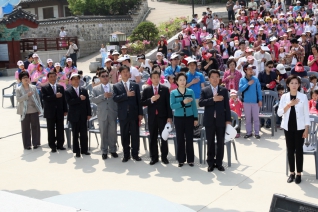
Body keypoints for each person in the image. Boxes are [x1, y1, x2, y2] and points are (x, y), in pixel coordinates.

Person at [277, 75, 310, 184]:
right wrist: (289, 104)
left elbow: (306, 114)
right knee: (290, 150)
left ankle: (299, 173)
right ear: (288, 85)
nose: (294, 85)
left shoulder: (303, 97)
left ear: (299, 85)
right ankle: (292, 173)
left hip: (300, 127)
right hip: (288, 127)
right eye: (292, 83)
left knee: (299, 150)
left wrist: (306, 129)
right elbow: (279, 112)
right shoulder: (284, 97)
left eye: (296, 83)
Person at [199, 70, 231, 172]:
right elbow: (201, 103)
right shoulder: (205, 90)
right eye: (212, 77)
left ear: (219, 78)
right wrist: (213, 99)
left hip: (221, 120)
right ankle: (210, 163)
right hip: (209, 121)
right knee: (210, 142)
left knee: (220, 142)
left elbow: (227, 106)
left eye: (217, 77)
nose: (215, 79)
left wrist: (228, 120)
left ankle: (219, 163)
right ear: (209, 78)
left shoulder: (224, 90)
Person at [141, 70, 172, 165]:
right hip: (152, 117)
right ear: (150, 79)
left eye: (157, 77)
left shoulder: (165, 89)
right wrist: (151, 100)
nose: (155, 79)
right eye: (153, 77)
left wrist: (169, 117)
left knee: (164, 137)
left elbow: (168, 104)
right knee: (153, 137)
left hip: (163, 117)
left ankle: (164, 157)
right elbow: (142, 102)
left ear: (160, 78)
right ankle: (154, 157)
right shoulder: (147, 90)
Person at [113, 65, 143, 162]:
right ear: (120, 74)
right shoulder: (116, 86)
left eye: (127, 71)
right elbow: (115, 98)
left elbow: (139, 101)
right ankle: (126, 155)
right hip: (123, 115)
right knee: (124, 135)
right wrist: (126, 95)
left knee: (135, 135)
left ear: (129, 73)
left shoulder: (135, 85)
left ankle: (135, 154)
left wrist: (140, 113)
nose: (125, 73)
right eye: (123, 72)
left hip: (134, 114)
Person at [170, 72, 198, 167]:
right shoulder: (173, 93)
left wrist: (195, 118)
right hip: (178, 119)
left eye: (184, 80)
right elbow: (172, 105)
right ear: (177, 81)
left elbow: (194, 106)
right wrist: (183, 102)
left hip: (189, 118)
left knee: (189, 139)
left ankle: (190, 160)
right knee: (180, 139)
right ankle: (181, 160)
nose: (182, 82)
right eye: (180, 80)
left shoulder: (190, 92)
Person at [90, 69, 118, 160]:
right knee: (103, 133)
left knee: (113, 133)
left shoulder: (114, 87)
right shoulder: (95, 89)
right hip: (102, 113)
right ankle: (104, 151)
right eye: (103, 76)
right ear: (99, 77)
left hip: (112, 113)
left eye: (107, 76)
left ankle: (113, 150)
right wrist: (103, 96)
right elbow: (93, 99)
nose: (105, 78)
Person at [65, 73, 91, 157]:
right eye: (74, 79)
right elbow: (70, 102)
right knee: (75, 134)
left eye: (77, 79)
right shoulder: (68, 91)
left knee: (84, 133)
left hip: (83, 116)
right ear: (71, 81)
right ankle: (77, 150)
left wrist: (89, 113)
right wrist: (79, 99)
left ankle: (84, 150)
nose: (76, 80)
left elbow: (87, 103)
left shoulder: (84, 90)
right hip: (74, 116)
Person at [41, 72, 68, 152]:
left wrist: (65, 110)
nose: (53, 78)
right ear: (48, 78)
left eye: (54, 76)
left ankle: (60, 144)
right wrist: (54, 96)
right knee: (51, 129)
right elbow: (45, 98)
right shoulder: (45, 88)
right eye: (51, 77)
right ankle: (52, 145)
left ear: (56, 77)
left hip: (59, 111)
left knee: (60, 128)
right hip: (50, 112)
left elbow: (64, 100)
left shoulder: (61, 87)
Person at [16, 71, 42, 150]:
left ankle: (36, 143)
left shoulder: (33, 87)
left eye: (27, 77)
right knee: (25, 128)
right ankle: (27, 145)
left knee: (35, 127)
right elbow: (18, 99)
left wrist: (39, 108)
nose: (25, 79)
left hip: (34, 109)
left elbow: (38, 98)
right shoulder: (18, 89)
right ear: (20, 79)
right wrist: (27, 95)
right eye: (23, 78)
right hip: (24, 111)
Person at [239, 64, 263, 139]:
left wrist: (260, 100)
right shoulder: (242, 80)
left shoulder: (256, 79)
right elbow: (240, 90)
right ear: (245, 70)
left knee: (256, 118)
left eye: (252, 69)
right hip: (246, 102)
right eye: (249, 69)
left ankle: (257, 133)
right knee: (248, 119)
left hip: (255, 102)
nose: (251, 70)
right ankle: (248, 133)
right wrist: (248, 84)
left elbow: (259, 90)